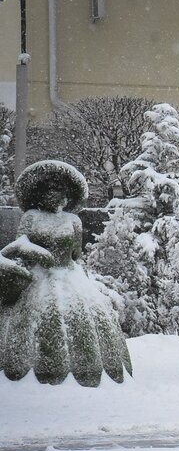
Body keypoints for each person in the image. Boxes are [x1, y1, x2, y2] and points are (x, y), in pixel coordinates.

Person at [0, 161, 132, 386]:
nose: (56, 195)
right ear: (41, 194)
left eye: (60, 190)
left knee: (83, 327)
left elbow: (75, 254)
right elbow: (16, 247)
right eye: (51, 190)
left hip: (70, 279)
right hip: (37, 280)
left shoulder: (74, 220)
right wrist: (37, 252)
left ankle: (91, 375)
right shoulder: (31, 217)